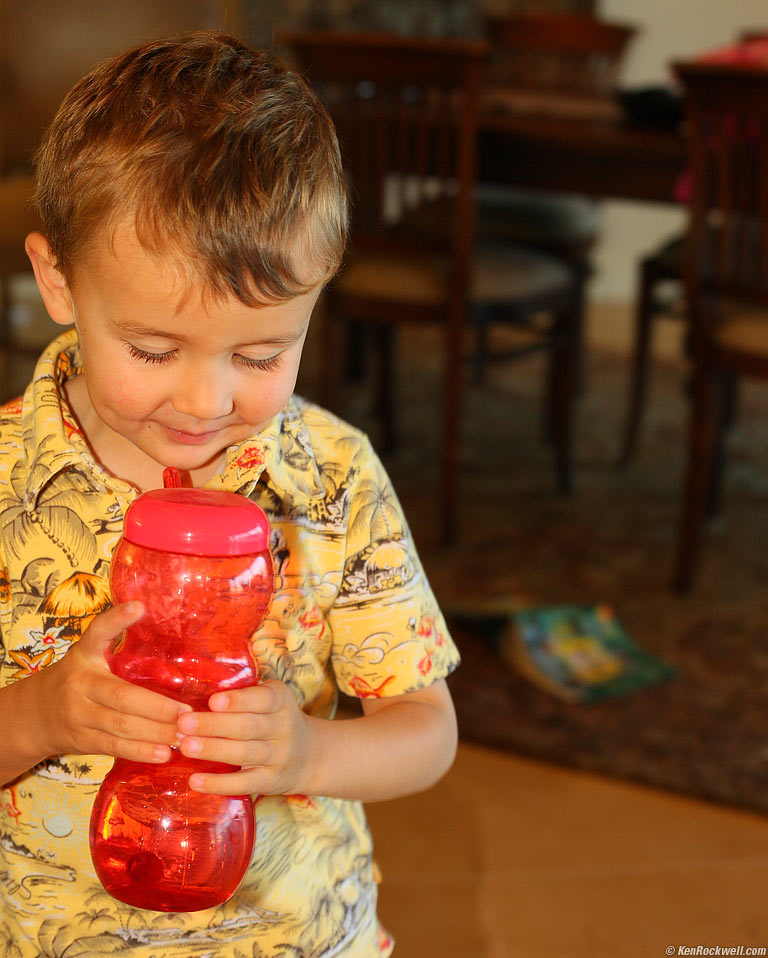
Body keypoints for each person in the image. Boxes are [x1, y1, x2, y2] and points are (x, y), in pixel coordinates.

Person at [0, 32, 459, 957]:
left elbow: (426, 733)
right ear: (58, 281)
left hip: (299, 936)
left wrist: (310, 753)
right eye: (153, 350)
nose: (207, 401)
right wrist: (42, 715)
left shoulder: (334, 475)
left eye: (260, 354)